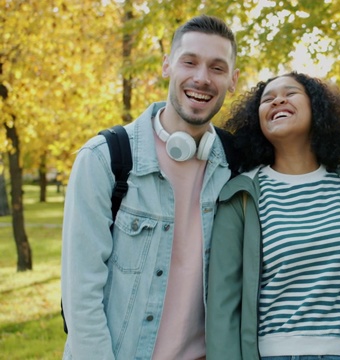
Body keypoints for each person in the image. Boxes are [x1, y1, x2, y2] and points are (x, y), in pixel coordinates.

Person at [61, 15, 239, 359]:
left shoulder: (236, 165)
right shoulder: (105, 159)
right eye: (190, 62)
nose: (202, 78)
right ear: (166, 66)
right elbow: (80, 299)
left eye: (217, 68)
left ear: (232, 80)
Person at [206, 72, 340, 360]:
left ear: (317, 108)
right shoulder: (241, 196)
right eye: (268, 99)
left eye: (290, 93)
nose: (278, 101)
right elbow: (222, 307)